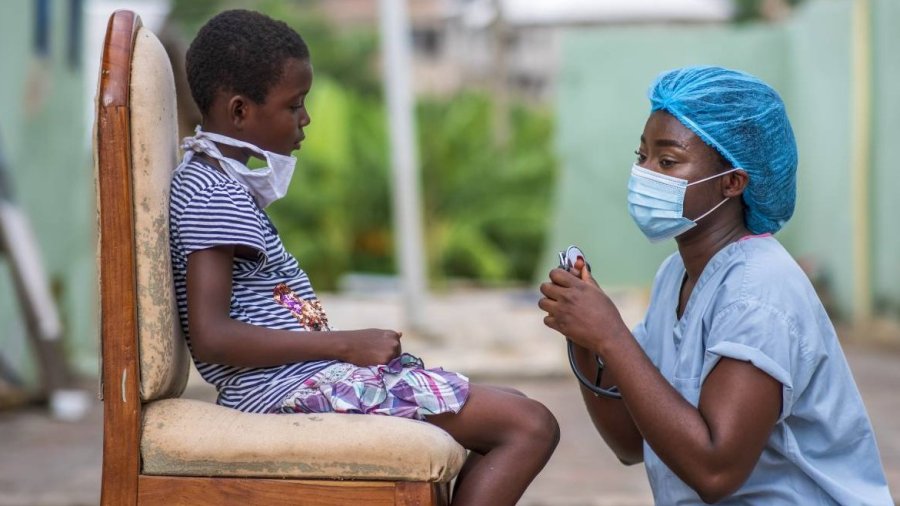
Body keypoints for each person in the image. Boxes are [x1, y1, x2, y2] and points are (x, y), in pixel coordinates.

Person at [170, 10, 558, 505]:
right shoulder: (212, 193)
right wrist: (345, 345)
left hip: (295, 380)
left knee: (516, 409)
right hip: (281, 393)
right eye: (295, 105)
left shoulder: (217, 184)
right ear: (240, 110)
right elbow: (213, 336)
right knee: (530, 425)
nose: (305, 118)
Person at [539, 65, 893, 504]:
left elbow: (715, 470)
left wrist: (611, 335)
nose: (645, 174)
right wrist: (585, 341)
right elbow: (632, 444)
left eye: (667, 161)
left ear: (733, 182)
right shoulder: (676, 275)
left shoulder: (759, 290)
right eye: (642, 156)